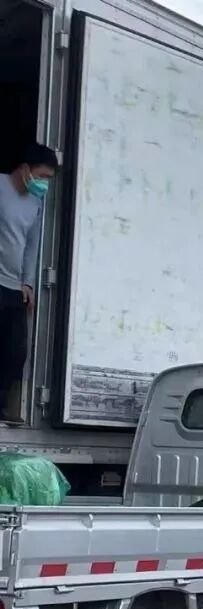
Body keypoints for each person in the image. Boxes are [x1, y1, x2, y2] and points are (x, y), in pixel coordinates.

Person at [0, 143, 59, 423]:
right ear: (25, 169)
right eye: (42, 176)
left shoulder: (35, 203)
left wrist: (29, 283)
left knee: (15, 352)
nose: (44, 184)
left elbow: (31, 246)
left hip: (14, 286)